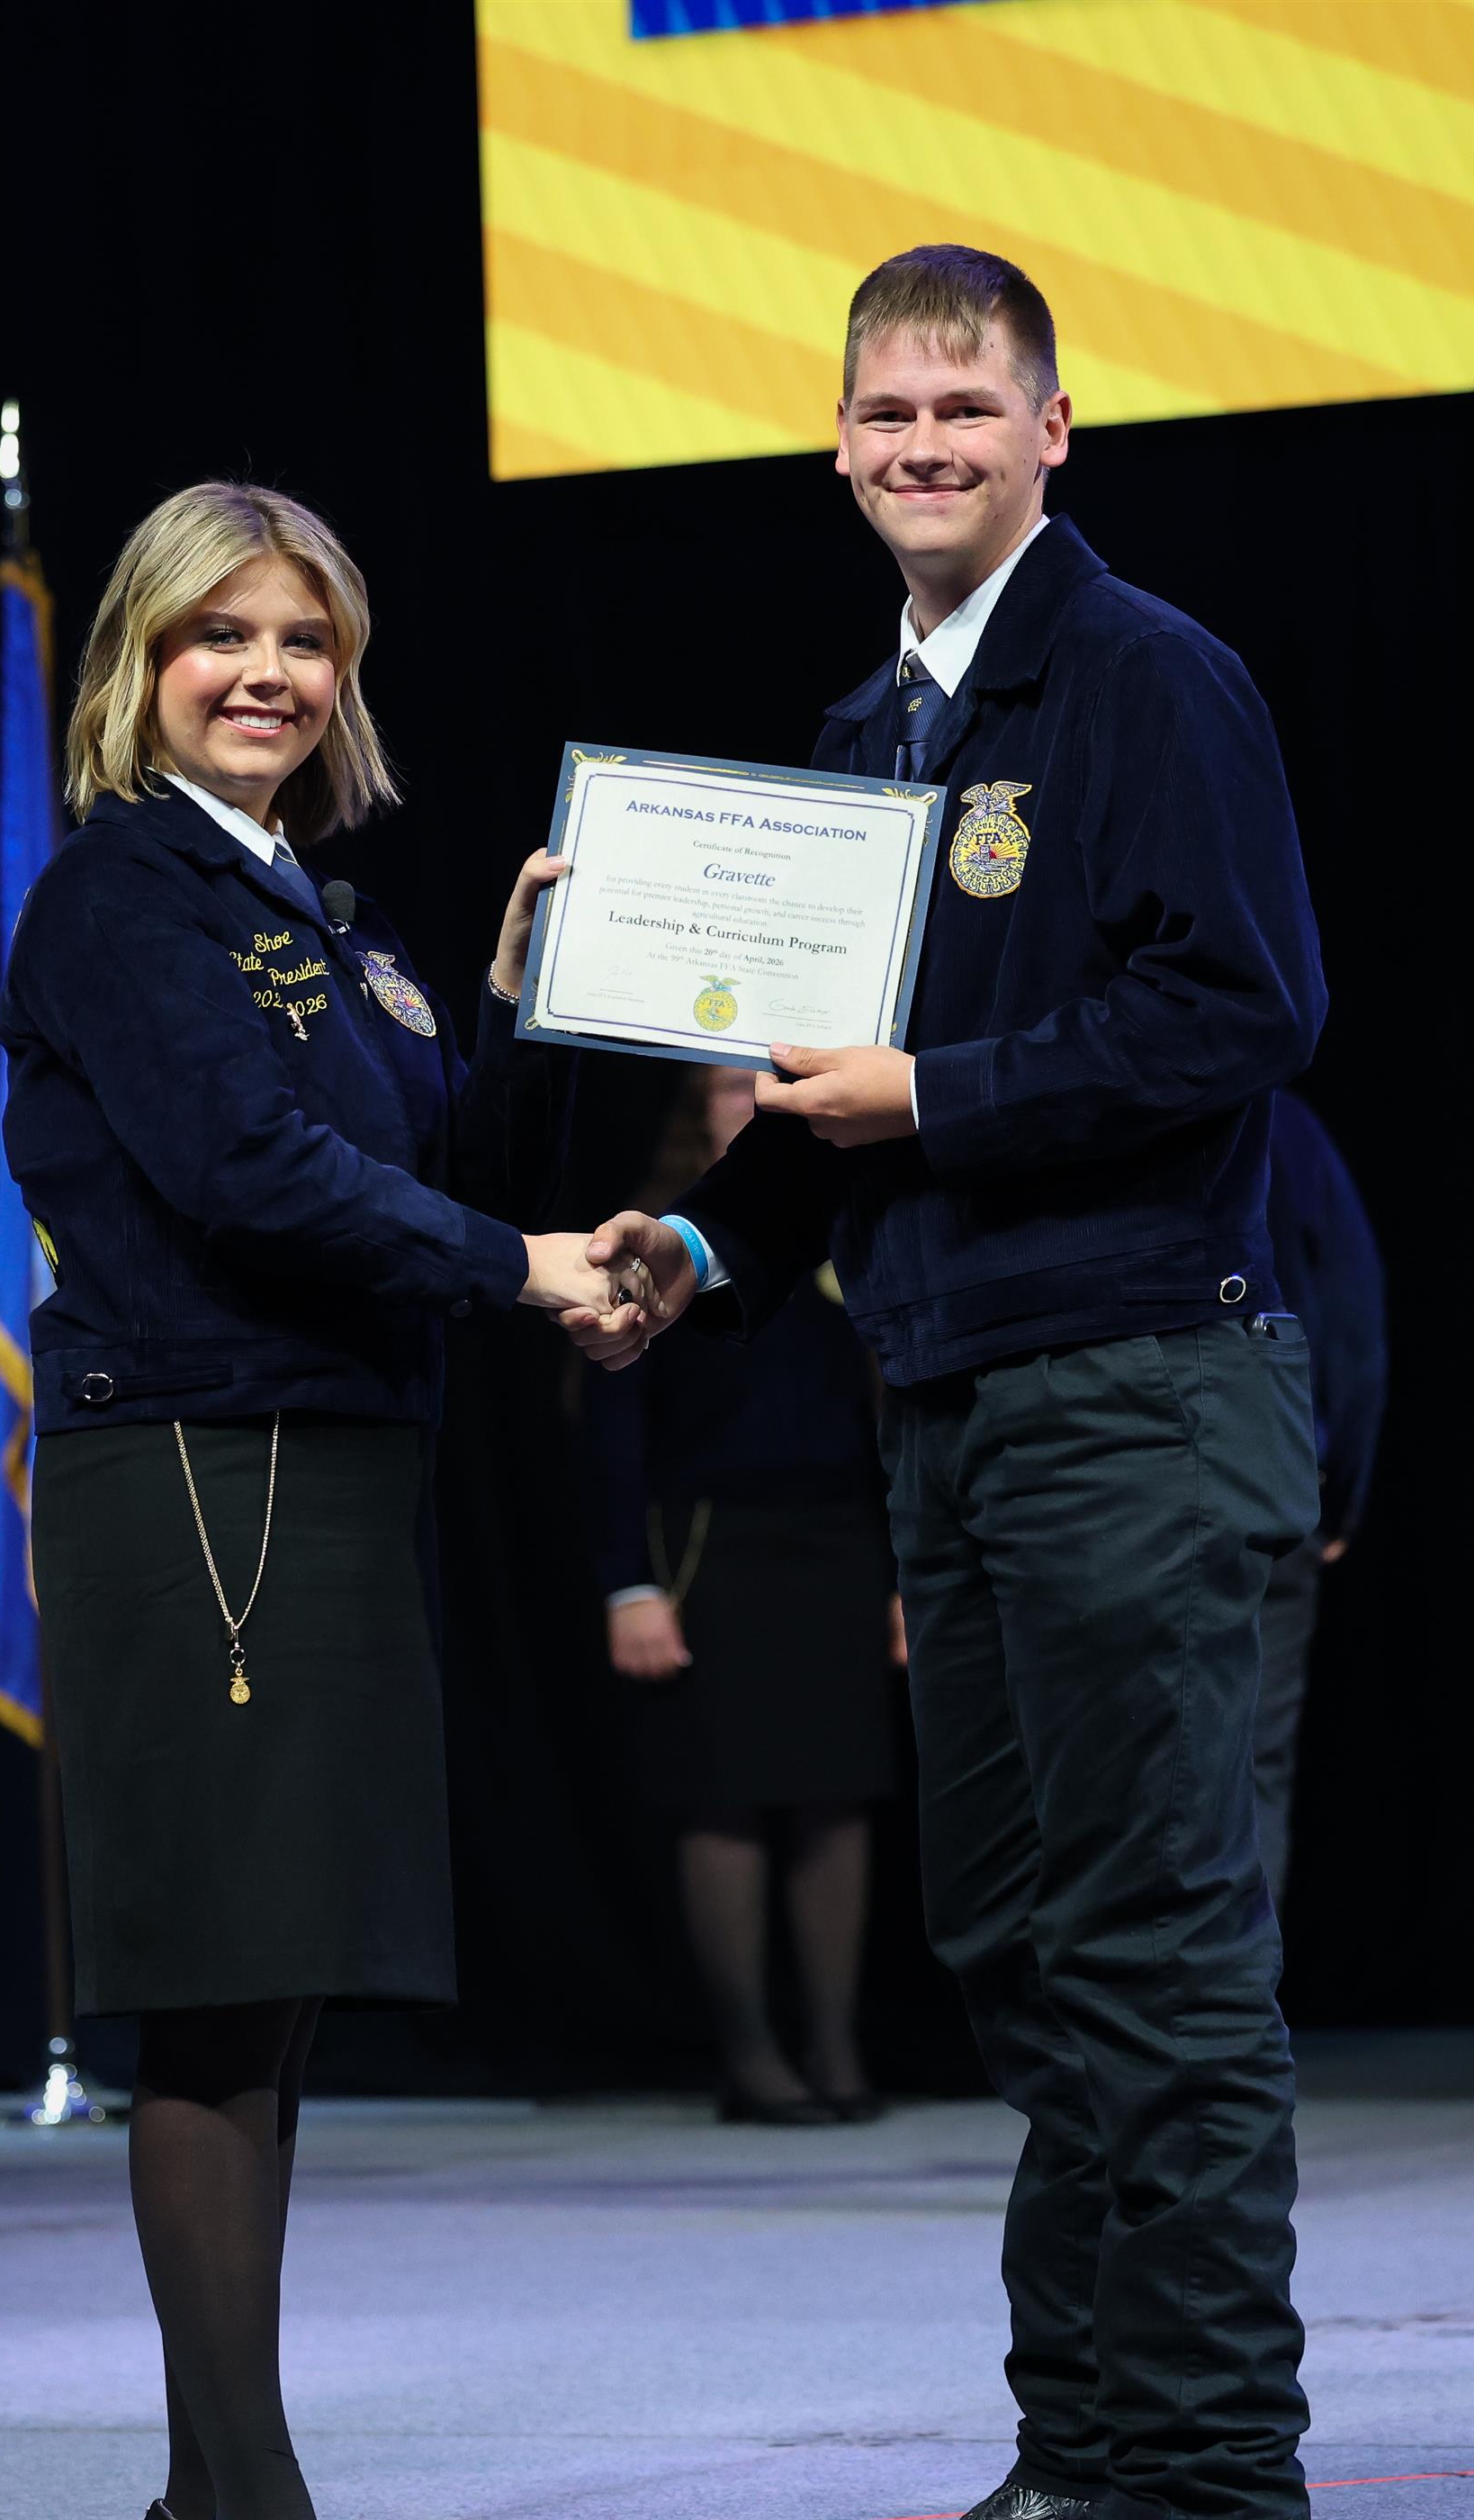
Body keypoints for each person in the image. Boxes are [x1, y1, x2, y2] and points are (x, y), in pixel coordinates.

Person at [564, 246, 1326, 2520]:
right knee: (1013, 1949)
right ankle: (1083, 2447)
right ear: (835, 444)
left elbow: (1243, 1010)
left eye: (964, 409)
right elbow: (820, 1111)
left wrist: (945, 1091)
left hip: (1135, 1390)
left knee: (1155, 1955)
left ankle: (1208, 2474)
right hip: (949, 1404)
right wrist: (696, 1247)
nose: (923, 446)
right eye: (886, 413)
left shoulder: (1146, 677)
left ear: (1050, 431)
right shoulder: (855, 739)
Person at [0, 483, 616, 2520]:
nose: (265, 673)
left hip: (325, 1472)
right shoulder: (121, 899)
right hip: (195, 1476)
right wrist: (522, 1270)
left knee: (267, 2001)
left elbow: (442, 1179)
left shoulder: (329, 919)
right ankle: (244, 2496)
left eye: (305, 641)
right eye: (221, 634)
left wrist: (519, 1003)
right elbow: (252, 1178)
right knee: (211, 1997)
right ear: (140, 661)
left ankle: (214, 2496)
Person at [580, 1064, 899, 2123]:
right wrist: (628, 1582)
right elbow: (611, 1424)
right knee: (727, 1792)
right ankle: (752, 2057)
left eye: (768, 1081)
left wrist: (907, 1574)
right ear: (696, 1109)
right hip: (709, 1540)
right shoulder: (663, 1238)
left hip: (840, 1534)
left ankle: (837, 2048)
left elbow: (891, 1404)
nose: (752, 1100)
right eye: (730, 1087)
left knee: (836, 1789)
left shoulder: (854, 1207)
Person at [1254, 1091, 1388, 1905]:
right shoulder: (1283, 1125)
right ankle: (1233, 1990)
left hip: (1103, 1471)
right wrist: (1342, 1487)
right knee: (1252, 1764)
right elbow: (1352, 1317)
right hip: (1273, 1472)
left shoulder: (1087, 1100)